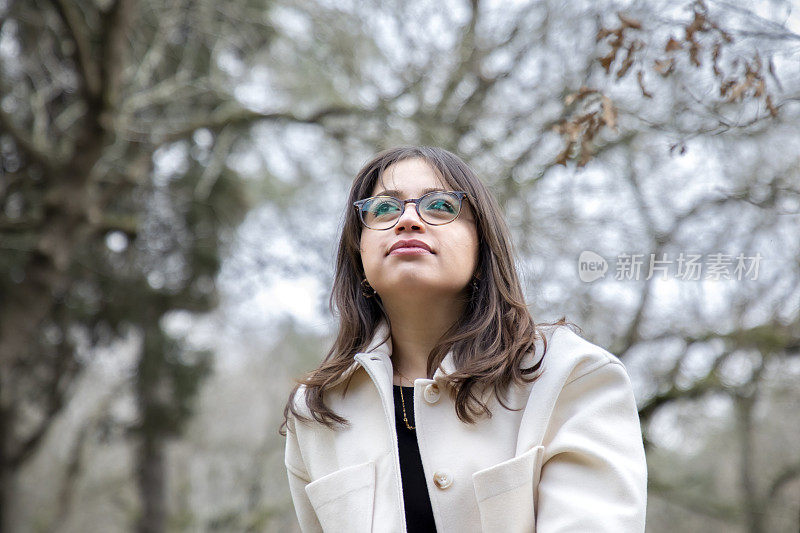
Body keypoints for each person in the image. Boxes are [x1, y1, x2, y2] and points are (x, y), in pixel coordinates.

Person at [279, 146, 647, 532]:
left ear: (482, 244)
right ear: (359, 254)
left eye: (439, 205)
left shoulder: (570, 375)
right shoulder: (317, 411)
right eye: (384, 209)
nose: (407, 220)